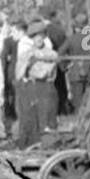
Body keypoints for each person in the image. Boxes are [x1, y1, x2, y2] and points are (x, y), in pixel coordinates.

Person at [14, 20, 59, 149]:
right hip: (31, 89)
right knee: (30, 118)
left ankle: (48, 146)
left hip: (46, 88)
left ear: (45, 37)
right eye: (35, 37)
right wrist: (27, 64)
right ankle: (30, 145)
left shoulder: (51, 53)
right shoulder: (26, 54)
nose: (38, 39)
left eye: (41, 36)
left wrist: (37, 58)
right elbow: (19, 74)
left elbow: (44, 72)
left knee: (47, 118)